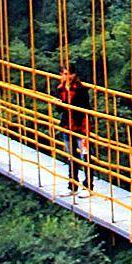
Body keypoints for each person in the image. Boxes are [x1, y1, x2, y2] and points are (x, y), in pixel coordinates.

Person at [57, 64, 92, 193]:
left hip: (82, 127)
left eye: (70, 73)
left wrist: (65, 105)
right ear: (61, 75)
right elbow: (60, 109)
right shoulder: (60, 89)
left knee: (85, 156)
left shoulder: (81, 89)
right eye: (65, 74)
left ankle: (88, 186)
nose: (68, 77)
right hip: (67, 127)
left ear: (74, 74)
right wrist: (59, 104)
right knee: (71, 157)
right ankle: (72, 185)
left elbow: (85, 107)